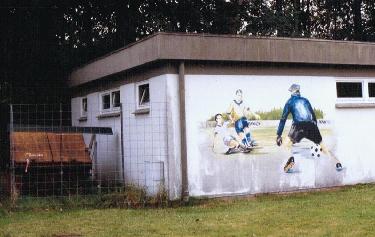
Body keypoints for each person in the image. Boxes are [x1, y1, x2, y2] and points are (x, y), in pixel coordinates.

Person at [276, 84, 343, 172]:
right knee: (322, 146)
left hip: (298, 126)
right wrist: (314, 125)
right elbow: (313, 114)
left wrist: (279, 134)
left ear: (292, 91)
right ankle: (337, 163)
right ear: (298, 91)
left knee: (286, 144)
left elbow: (283, 118)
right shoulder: (305, 100)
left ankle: (291, 159)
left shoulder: (289, 102)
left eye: (290, 91)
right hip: (311, 125)